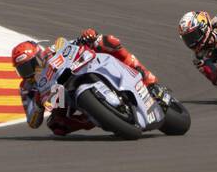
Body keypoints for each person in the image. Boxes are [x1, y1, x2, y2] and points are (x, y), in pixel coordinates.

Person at [12, 29, 162, 136]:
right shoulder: (26, 87)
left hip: (79, 68)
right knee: (56, 125)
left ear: (39, 55)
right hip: (62, 98)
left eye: (31, 65)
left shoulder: (51, 51)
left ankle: (143, 73)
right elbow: (33, 122)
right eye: (23, 70)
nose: (29, 72)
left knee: (106, 41)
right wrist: (38, 104)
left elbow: (69, 44)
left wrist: (87, 36)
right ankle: (94, 118)